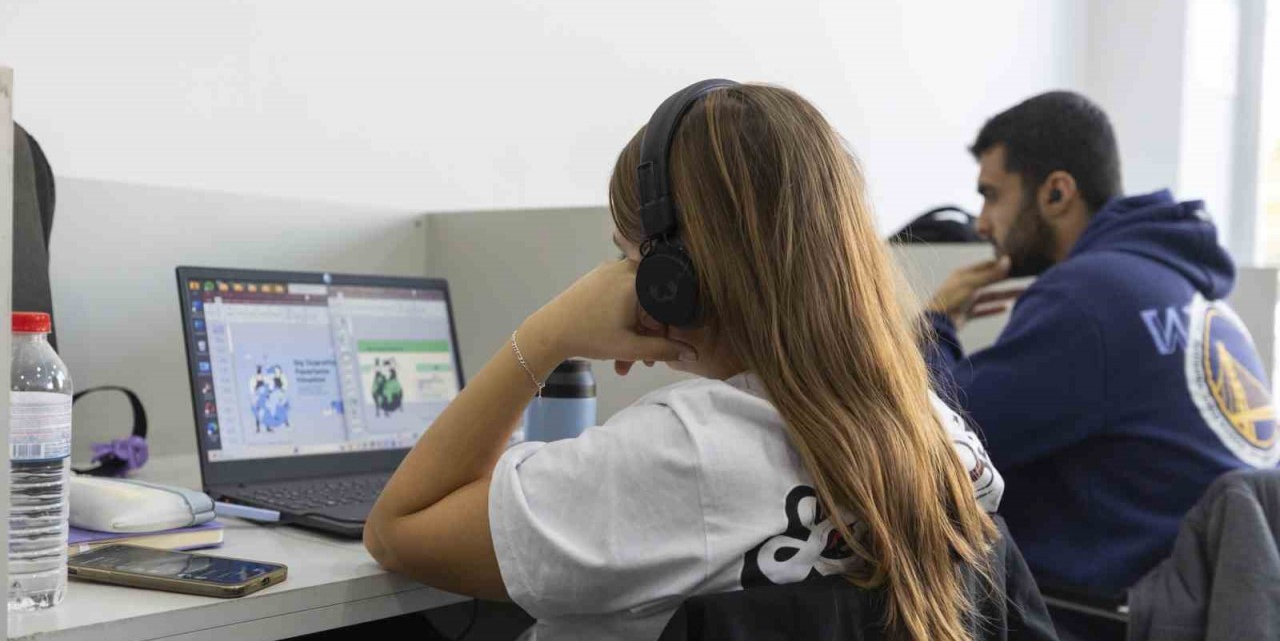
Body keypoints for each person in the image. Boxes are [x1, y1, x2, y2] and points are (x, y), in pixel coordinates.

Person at [364, 82, 1006, 641]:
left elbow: (398, 530)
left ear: (672, 276)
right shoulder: (939, 435)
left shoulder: (686, 453)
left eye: (628, 259)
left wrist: (545, 336)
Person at [926, 90, 1278, 635]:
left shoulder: (1091, 298)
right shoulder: (1192, 295)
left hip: (1105, 616)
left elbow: (940, 440)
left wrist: (934, 324)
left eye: (992, 196)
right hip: (1199, 608)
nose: (982, 224)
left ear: (1056, 192)